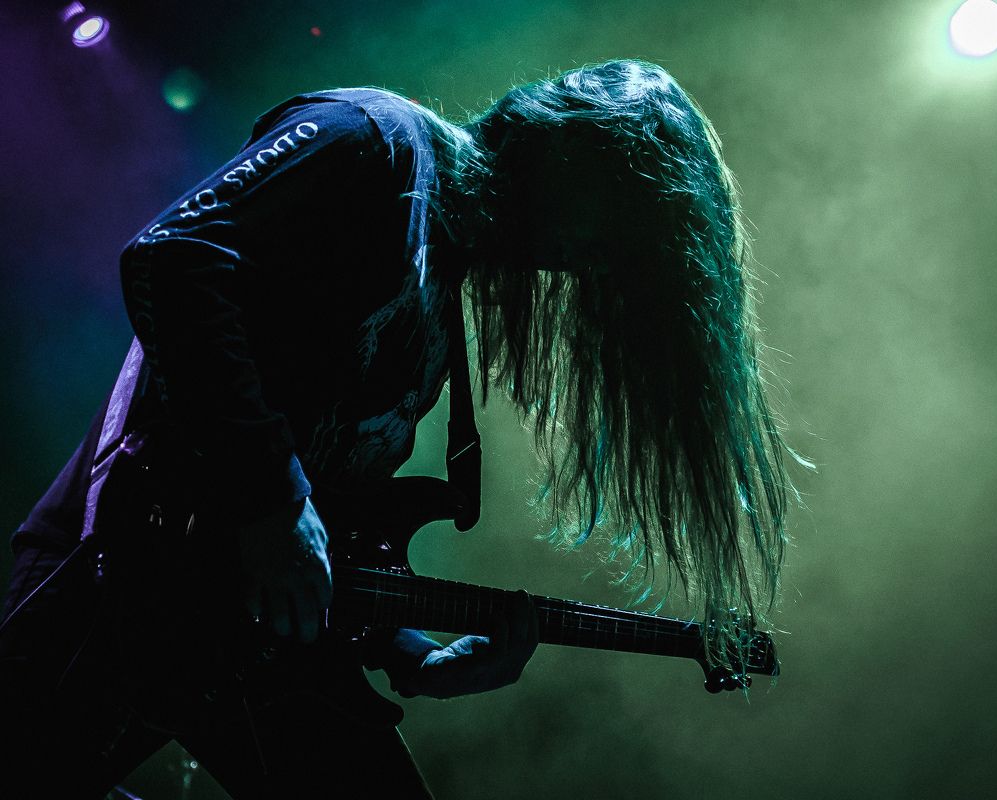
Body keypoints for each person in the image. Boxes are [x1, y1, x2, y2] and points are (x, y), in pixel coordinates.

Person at [0, 59, 801, 798]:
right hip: (117, 571)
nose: (590, 262)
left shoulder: (442, 291)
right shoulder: (371, 136)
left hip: (257, 631)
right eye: (610, 225)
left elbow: (332, 527)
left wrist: (411, 651)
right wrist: (272, 498)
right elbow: (175, 256)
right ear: (568, 152)